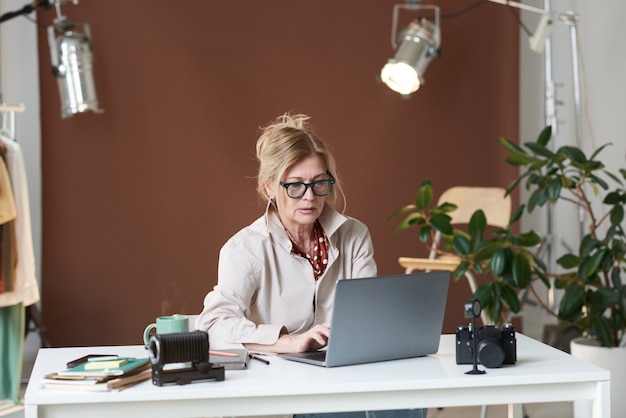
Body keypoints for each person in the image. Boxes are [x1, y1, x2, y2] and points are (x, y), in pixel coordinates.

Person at [196, 113, 426, 418]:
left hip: (346, 371)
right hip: (279, 379)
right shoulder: (245, 249)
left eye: (320, 183)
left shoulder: (354, 235)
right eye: (296, 186)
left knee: (409, 400)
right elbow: (213, 324)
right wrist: (289, 341)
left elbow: (368, 313)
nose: (310, 197)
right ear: (269, 188)